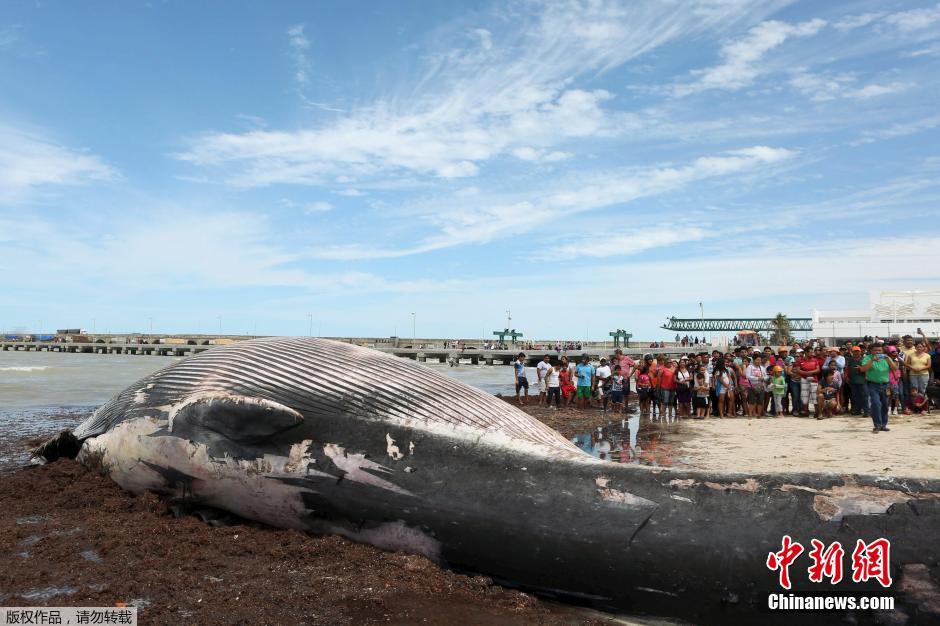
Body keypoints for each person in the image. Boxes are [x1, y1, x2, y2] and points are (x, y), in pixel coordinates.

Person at [859, 343, 896, 433]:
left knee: (885, 405)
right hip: (873, 385)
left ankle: (883, 425)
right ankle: (877, 425)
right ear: (871, 351)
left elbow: (895, 368)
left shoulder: (886, 358)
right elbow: (863, 369)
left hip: (885, 385)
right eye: (875, 350)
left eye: (879, 350)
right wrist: (872, 360)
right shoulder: (867, 358)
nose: (878, 352)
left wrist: (888, 359)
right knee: (876, 404)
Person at [798, 348, 822, 418]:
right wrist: (806, 373)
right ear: (806, 352)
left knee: (815, 396)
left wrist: (810, 372)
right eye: (811, 352)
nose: (812, 354)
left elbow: (818, 370)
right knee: (805, 396)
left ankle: (817, 412)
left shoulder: (815, 360)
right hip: (804, 380)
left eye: (812, 352)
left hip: (814, 380)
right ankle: (806, 411)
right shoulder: (800, 361)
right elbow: (798, 370)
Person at [845, 346, 868, 416]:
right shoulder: (850, 360)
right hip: (853, 380)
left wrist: (861, 368)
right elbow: (847, 369)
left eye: (857, 351)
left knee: (864, 396)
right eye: (854, 351)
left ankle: (866, 411)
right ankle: (857, 410)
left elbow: (868, 368)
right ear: (852, 352)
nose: (856, 353)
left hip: (862, 380)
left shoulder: (864, 359)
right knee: (855, 396)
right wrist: (846, 377)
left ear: (860, 352)